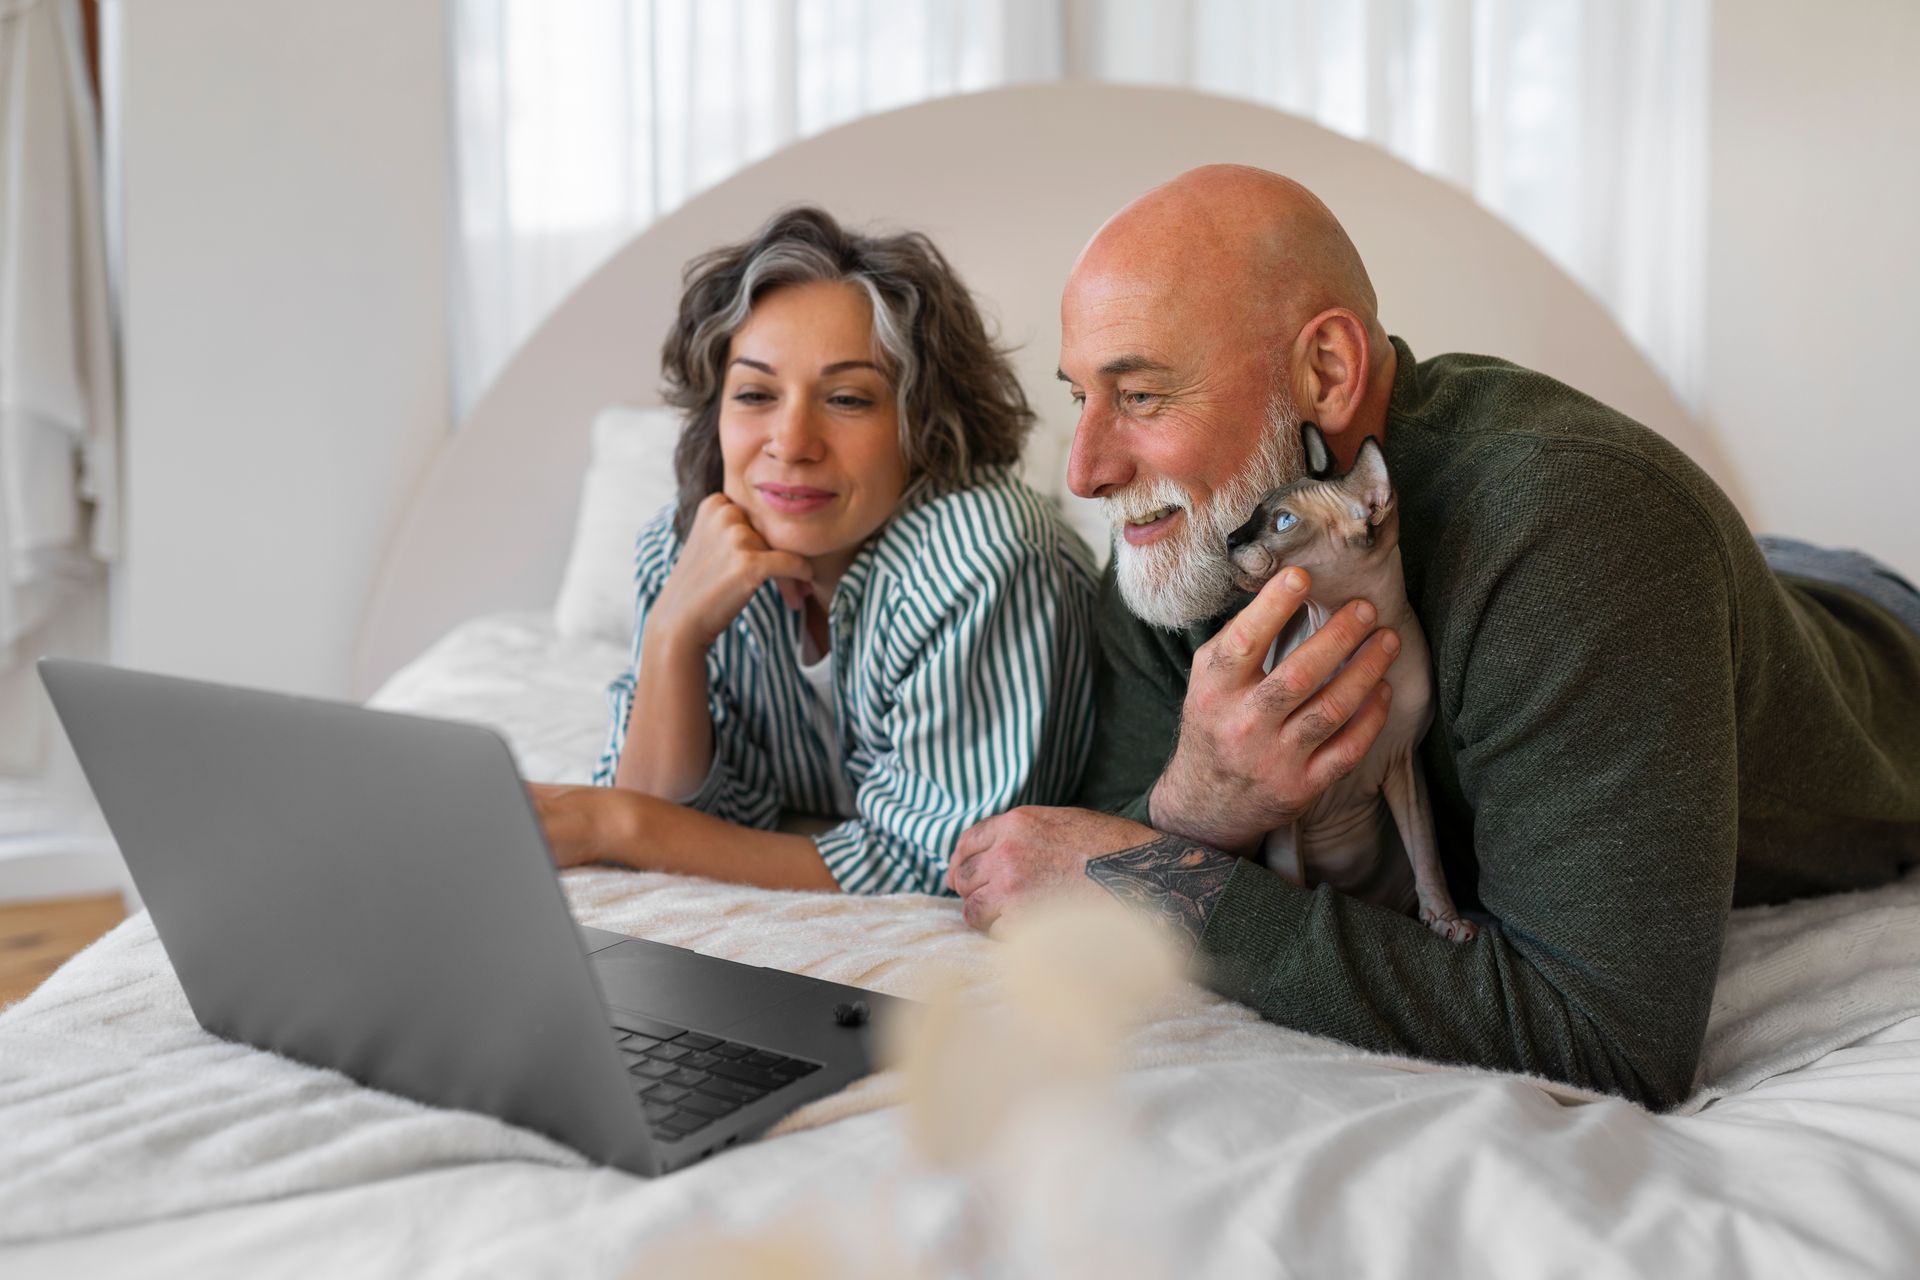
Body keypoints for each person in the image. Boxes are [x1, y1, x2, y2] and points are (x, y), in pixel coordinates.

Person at [946, 164, 1920, 1110]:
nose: (1085, 470)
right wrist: (1194, 802)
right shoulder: (1187, 531)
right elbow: (1093, 834)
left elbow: (1605, 1036)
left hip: (1873, 652)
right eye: (1081, 396)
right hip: (1714, 587)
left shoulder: (1579, 527)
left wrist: (1161, 882)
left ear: (1324, 371)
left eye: (1143, 395)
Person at [533, 207, 1097, 894]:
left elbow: (935, 865)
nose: (792, 441)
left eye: (848, 398)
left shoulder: (985, 557)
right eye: (754, 393)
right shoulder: (690, 547)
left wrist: (618, 825)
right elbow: (682, 817)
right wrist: (673, 635)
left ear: (922, 421)